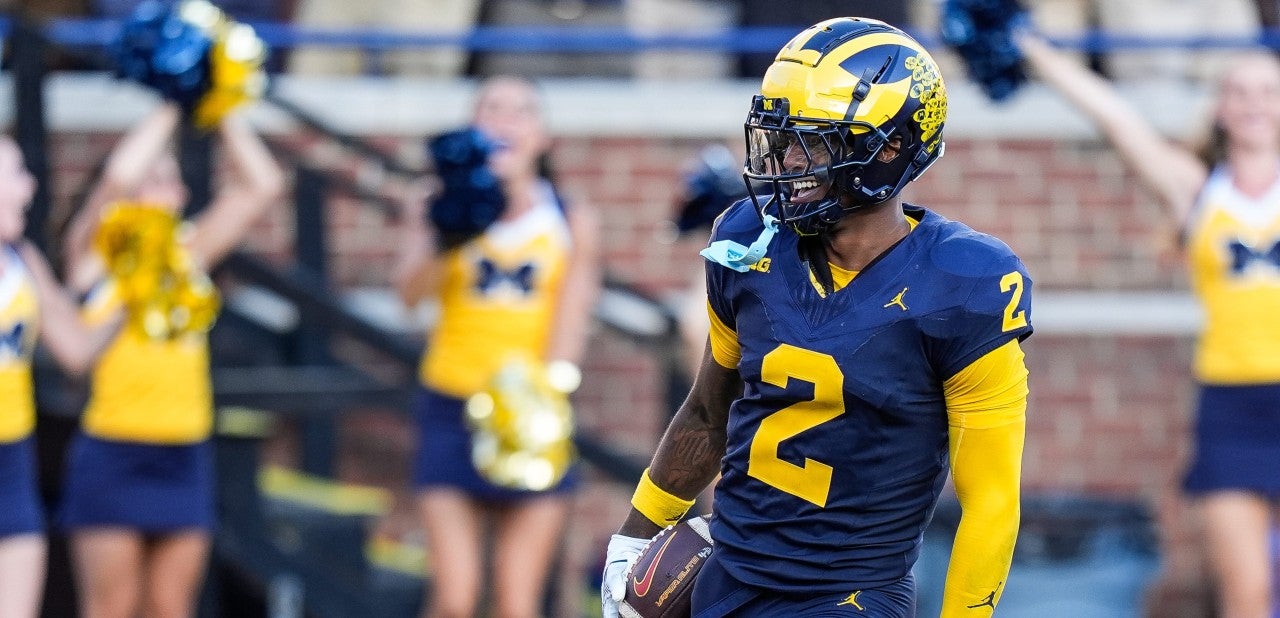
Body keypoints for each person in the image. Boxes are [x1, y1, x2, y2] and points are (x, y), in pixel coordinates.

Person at [602, 17, 1033, 617]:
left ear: (886, 149)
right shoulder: (750, 240)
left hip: (845, 596)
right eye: (779, 139)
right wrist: (633, 537)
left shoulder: (964, 284)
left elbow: (990, 501)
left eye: (811, 140)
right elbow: (708, 408)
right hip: (729, 575)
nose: (784, 160)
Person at [1017, 27, 1280, 618]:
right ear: (1220, 108)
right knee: (1246, 592)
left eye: (1268, 90)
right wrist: (1034, 49)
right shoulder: (1198, 189)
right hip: (1232, 402)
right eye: (1239, 92)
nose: (1254, 104)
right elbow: (1116, 119)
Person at [57, 102, 285, 618]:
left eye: (172, 180)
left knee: (170, 607)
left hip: (184, 450)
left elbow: (263, 184)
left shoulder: (191, 254)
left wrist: (217, 103)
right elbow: (116, 178)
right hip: (115, 449)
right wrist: (168, 103)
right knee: (110, 608)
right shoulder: (97, 258)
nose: (166, 190)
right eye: (153, 179)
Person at [394, 76, 600, 618]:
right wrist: (449, 230)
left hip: (531, 415)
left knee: (516, 601)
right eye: (492, 108)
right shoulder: (434, 201)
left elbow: (572, 320)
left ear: (543, 137)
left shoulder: (570, 215)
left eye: (521, 111)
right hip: (452, 404)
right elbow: (409, 298)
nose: (505, 120)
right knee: (456, 596)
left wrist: (546, 404)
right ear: (473, 126)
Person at [0, 136, 121, 618]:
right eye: (15, 175)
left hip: (12, 463)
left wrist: (134, 295)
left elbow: (75, 350)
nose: (29, 189)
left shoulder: (22, 260)